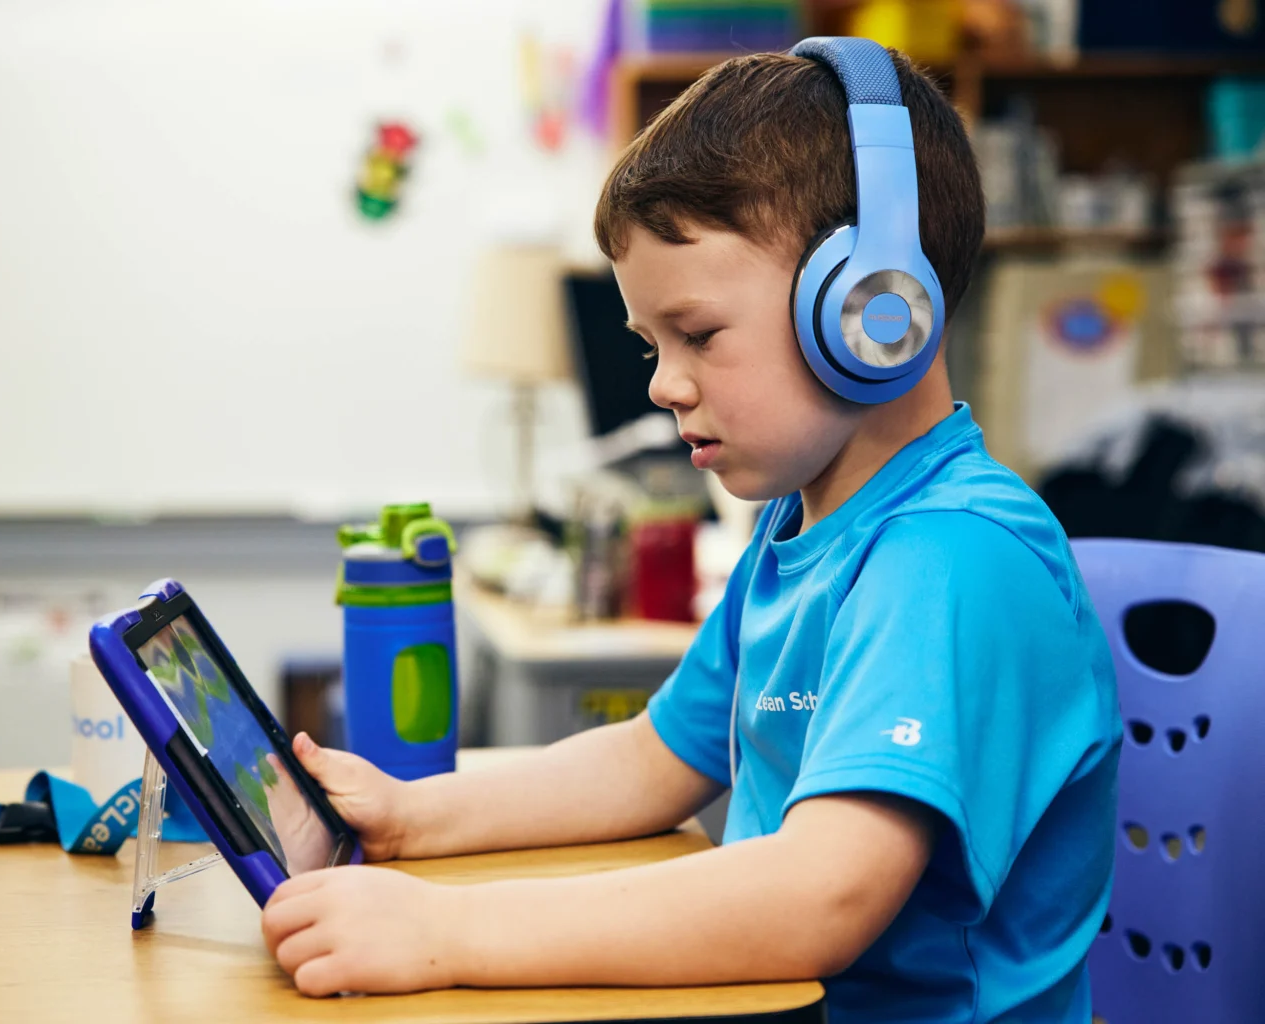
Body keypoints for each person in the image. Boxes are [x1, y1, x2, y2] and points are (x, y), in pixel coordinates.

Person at [261, 40, 1121, 1022]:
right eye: (649, 343)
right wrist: (411, 819)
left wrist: (446, 934)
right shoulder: (800, 528)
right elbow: (652, 757)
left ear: (870, 311)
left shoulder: (952, 558)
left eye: (697, 334)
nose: (662, 385)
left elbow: (820, 893)